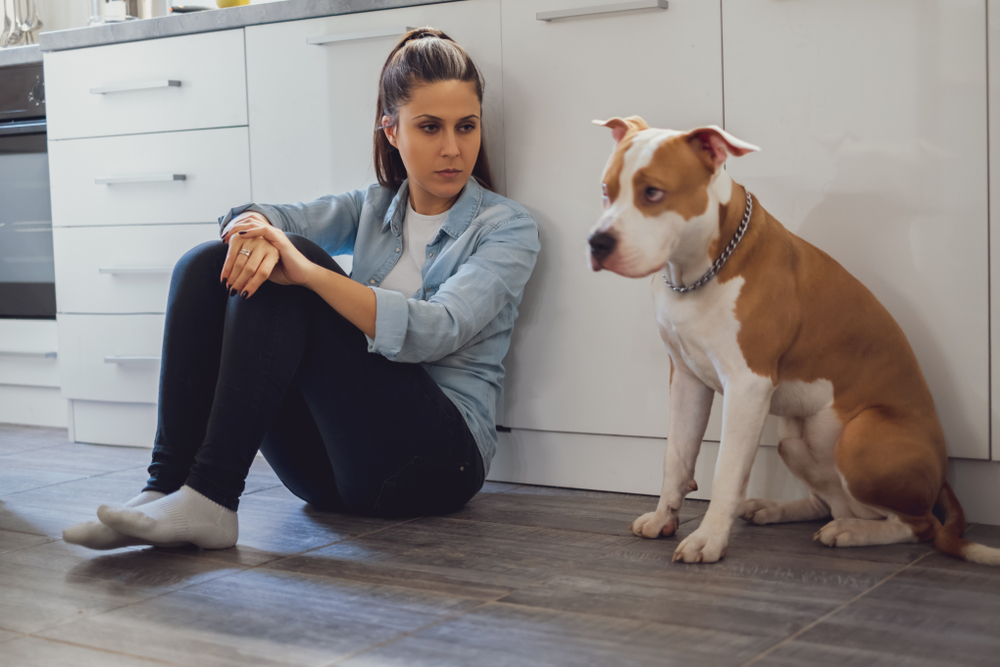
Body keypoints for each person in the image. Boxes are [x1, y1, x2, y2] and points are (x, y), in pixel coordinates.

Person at [63, 28, 540, 550]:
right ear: (392, 130)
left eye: (465, 127)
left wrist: (311, 273)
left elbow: (439, 331)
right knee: (208, 261)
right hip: (329, 472)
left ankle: (212, 495)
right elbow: (266, 215)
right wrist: (249, 229)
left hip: (437, 464)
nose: (453, 148)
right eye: (430, 127)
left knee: (296, 263)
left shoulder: (505, 228)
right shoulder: (372, 208)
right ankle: (167, 486)